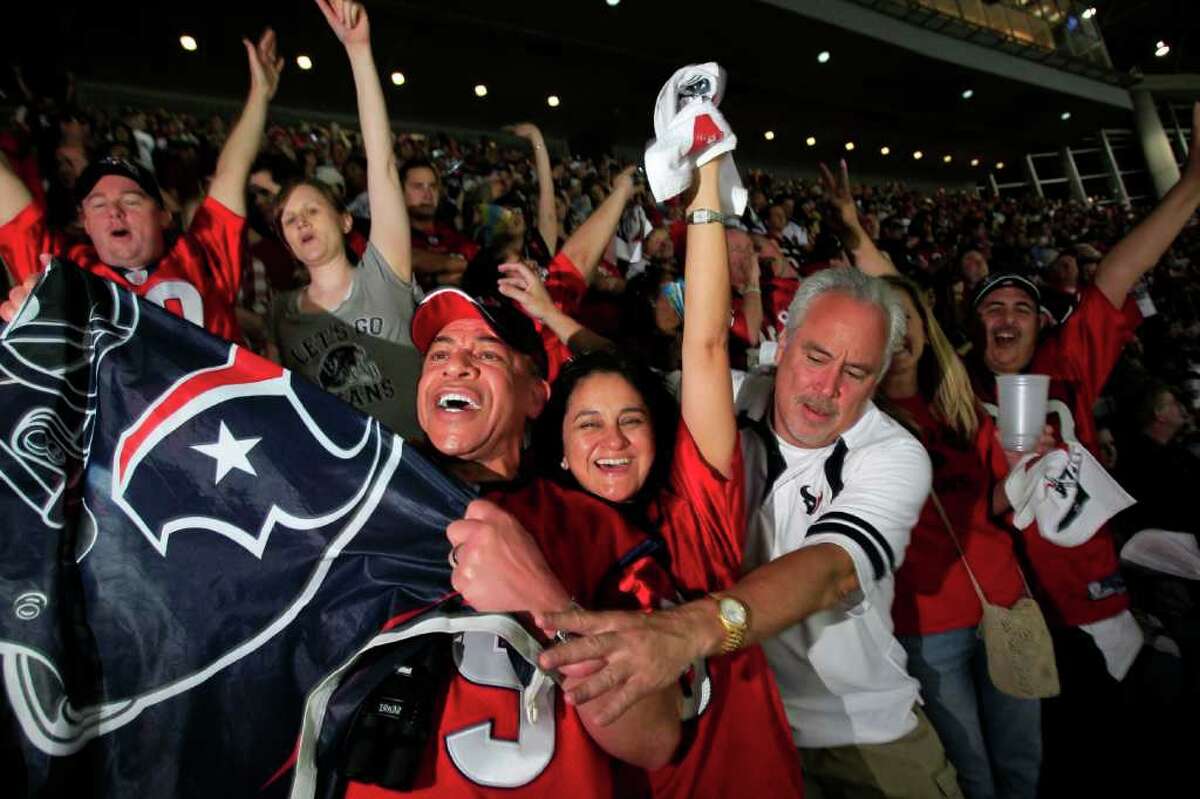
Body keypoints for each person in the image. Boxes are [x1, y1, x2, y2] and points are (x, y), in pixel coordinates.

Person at [542, 267, 964, 799]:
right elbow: (632, 382)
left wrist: (686, 630)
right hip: (739, 730)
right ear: (781, 343)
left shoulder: (893, 454)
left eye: (855, 372)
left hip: (860, 738)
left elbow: (828, 573)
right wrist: (550, 313)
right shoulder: (733, 399)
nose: (827, 388)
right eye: (815, 357)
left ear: (877, 381)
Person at [508, 158, 804, 798]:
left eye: (630, 421)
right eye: (587, 424)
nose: (611, 440)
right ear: (558, 449)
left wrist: (705, 184)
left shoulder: (695, 507)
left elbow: (704, 344)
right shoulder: (539, 545)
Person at [964, 103, 1200, 797]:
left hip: (1108, 612)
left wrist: (1190, 188)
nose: (1007, 317)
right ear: (974, 324)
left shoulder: (1065, 367)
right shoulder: (954, 398)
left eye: (1021, 308)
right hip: (1025, 631)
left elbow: (1119, 275)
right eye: (991, 307)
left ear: (1041, 325)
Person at [0, 29, 284, 341]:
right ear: (85, 223)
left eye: (131, 200)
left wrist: (259, 94)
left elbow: (231, 173)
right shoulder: (63, 272)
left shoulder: (202, 257)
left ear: (164, 215)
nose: (115, 212)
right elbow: (12, 204)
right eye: (98, 205)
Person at [266, 0, 420, 438]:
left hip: (417, 465)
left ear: (346, 221)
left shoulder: (383, 273)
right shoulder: (281, 312)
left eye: (312, 210)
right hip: (342, 481)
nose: (301, 223)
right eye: (290, 220)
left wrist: (358, 51)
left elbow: (384, 167)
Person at [402, 157, 478, 288]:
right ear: (400, 192)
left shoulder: (451, 234)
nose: (428, 194)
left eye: (433, 186)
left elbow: (480, 262)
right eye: (418, 186)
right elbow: (404, 260)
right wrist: (452, 265)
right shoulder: (395, 236)